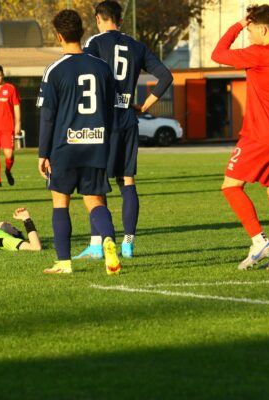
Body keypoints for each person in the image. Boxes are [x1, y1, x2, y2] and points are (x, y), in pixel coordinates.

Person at [76, 0, 173, 259]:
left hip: (102, 121)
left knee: (97, 183)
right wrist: (144, 105)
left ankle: (99, 244)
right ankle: (128, 243)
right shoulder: (137, 46)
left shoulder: (94, 44)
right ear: (120, 20)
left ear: (98, 19)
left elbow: (84, 78)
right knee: (126, 181)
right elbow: (165, 76)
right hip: (128, 119)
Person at [37, 9, 121, 275]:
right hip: (96, 144)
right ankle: (108, 240)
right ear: (82, 33)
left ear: (59, 36)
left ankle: (64, 262)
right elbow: (110, 110)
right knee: (95, 201)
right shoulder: (102, 67)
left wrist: (43, 153)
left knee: (60, 202)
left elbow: (48, 116)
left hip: (65, 147)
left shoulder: (55, 70)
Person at [211, 4, 269, 271]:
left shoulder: (260, 53)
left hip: (261, 134)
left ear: (263, 28)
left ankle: (260, 241)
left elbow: (218, 54)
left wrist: (237, 26)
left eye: (251, 28)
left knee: (230, 186)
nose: (249, 33)